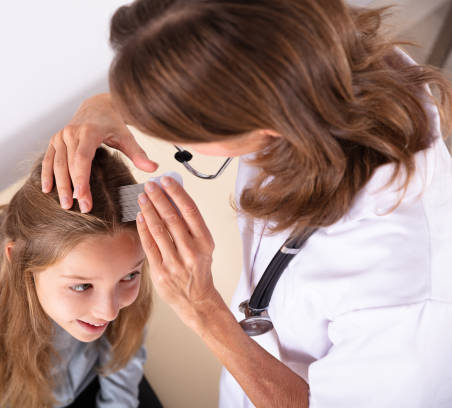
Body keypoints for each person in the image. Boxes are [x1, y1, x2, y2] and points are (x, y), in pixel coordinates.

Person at [41, 0, 452, 406]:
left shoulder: (404, 288)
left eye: (178, 133)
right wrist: (103, 106)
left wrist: (202, 308)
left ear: (268, 123)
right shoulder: (300, 51)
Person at [0, 148, 163, 408]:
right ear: (22, 262)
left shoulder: (117, 262)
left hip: (98, 378)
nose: (110, 311)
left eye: (129, 276)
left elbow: (124, 347)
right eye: (82, 286)